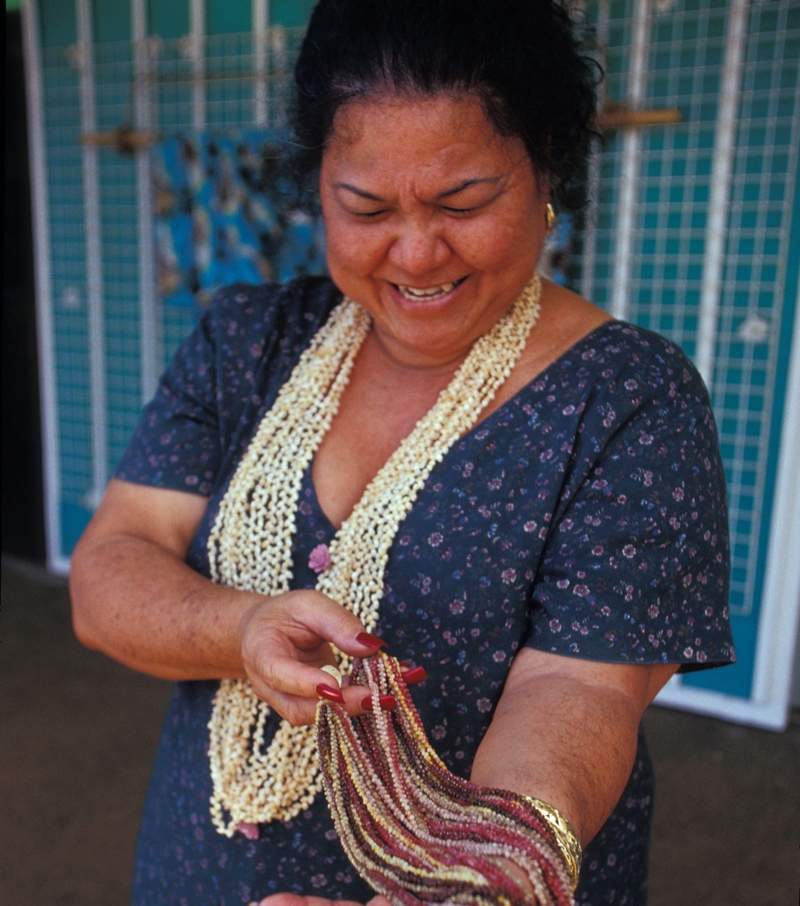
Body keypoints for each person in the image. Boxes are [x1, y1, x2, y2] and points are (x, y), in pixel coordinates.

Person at [69, 1, 735, 904]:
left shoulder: (628, 398)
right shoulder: (246, 340)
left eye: (464, 201)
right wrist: (240, 627)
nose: (417, 253)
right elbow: (110, 570)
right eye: (367, 206)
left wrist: (477, 878)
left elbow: (581, 692)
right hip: (205, 860)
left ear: (545, 162)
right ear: (320, 188)